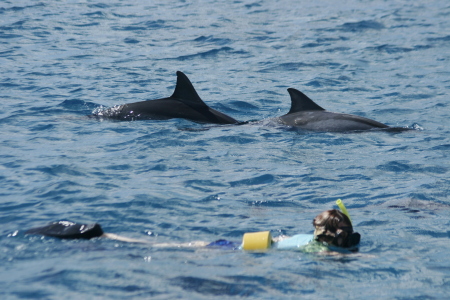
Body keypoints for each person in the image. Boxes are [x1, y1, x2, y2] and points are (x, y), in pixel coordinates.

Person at [25, 208, 360, 252]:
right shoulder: (321, 252)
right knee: (174, 249)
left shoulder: (314, 243)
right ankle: (101, 237)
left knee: (179, 246)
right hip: (241, 250)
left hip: (248, 243)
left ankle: (105, 236)